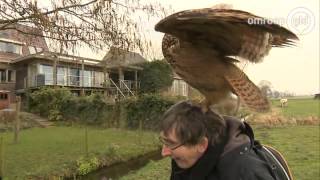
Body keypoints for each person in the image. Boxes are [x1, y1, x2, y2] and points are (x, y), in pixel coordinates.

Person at [159, 100, 280, 180]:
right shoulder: (184, 161)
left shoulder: (246, 174)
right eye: (164, 141)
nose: (164, 152)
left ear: (201, 145)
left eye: (171, 144)